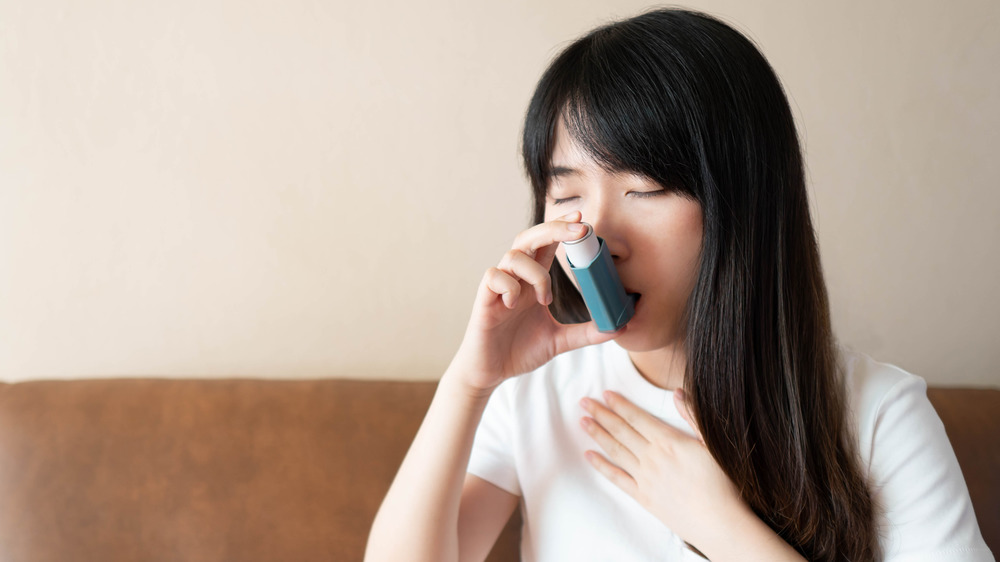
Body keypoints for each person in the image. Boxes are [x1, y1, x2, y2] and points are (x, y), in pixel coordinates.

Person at [365, 8, 993, 562]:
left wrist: (722, 527)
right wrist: (469, 384)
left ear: (741, 206)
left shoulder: (877, 414)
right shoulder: (536, 392)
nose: (597, 232)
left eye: (644, 189)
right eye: (567, 194)